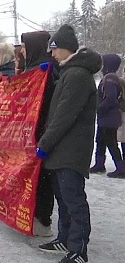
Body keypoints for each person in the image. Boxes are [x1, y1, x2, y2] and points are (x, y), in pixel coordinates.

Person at [36, 25, 100, 263]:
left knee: (73, 200)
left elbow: (64, 116)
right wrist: (50, 73)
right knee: (63, 198)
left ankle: (79, 250)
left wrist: (45, 142)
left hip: (71, 149)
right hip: (61, 148)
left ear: (65, 49)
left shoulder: (78, 75)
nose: (51, 54)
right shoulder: (69, 72)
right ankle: (64, 238)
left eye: (54, 50)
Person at [21, 30, 58, 238]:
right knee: (35, 177)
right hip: (32, 131)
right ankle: (33, 215)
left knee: (43, 178)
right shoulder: (34, 67)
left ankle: (43, 221)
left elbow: (47, 104)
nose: (23, 52)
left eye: (26, 47)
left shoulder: (47, 70)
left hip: (42, 131)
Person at [91, 54, 125, 178]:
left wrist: (98, 108)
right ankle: (99, 164)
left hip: (109, 118)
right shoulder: (110, 77)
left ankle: (121, 168)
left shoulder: (109, 79)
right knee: (100, 140)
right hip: (107, 118)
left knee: (110, 142)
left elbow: (111, 99)